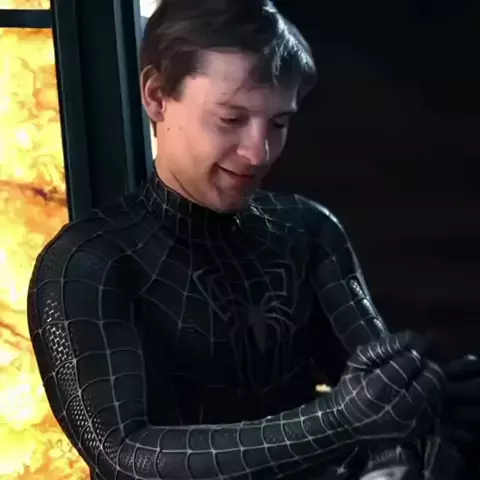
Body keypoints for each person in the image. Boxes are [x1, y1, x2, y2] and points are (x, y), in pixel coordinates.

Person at [27, 0, 480, 479]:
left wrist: (434, 396)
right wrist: (339, 422)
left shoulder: (307, 230)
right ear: (157, 96)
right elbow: (122, 453)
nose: (258, 152)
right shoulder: (86, 264)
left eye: (279, 123)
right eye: (230, 119)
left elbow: (386, 406)